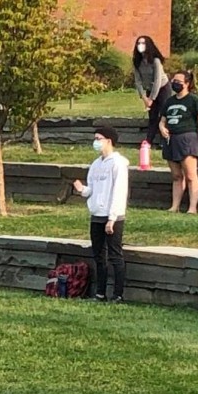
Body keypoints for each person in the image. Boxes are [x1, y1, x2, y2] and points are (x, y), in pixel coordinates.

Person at [72, 126, 130, 302]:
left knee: (115, 255)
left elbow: (119, 191)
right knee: (99, 256)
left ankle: (118, 294)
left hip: (113, 217)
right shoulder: (96, 164)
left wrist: (112, 218)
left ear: (108, 141)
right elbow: (92, 190)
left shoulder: (118, 164)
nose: (95, 142)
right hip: (96, 215)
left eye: (99, 138)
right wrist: (82, 190)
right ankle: (100, 293)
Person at [157, 70, 198, 214]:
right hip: (170, 140)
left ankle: (192, 208)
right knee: (176, 175)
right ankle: (175, 206)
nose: (175, 84)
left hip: (187, 138)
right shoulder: (169, 101)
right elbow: (162, 120)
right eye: (173, 81)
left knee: (190, 175)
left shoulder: (194, 100)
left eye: (179, 82)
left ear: (187, 84)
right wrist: (162, 128)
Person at [132, 35, 171, 146]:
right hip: (149, 89)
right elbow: (138, 81)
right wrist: (144, 97)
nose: (140, 46)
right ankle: (149, 140)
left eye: (143, 43)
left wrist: (152, 98)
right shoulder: (137, 62)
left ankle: (164, 141)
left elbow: (158, 80)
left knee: (164, 113)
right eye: (138, 43)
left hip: (163, 88)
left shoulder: (155, 60)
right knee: (152, 116)